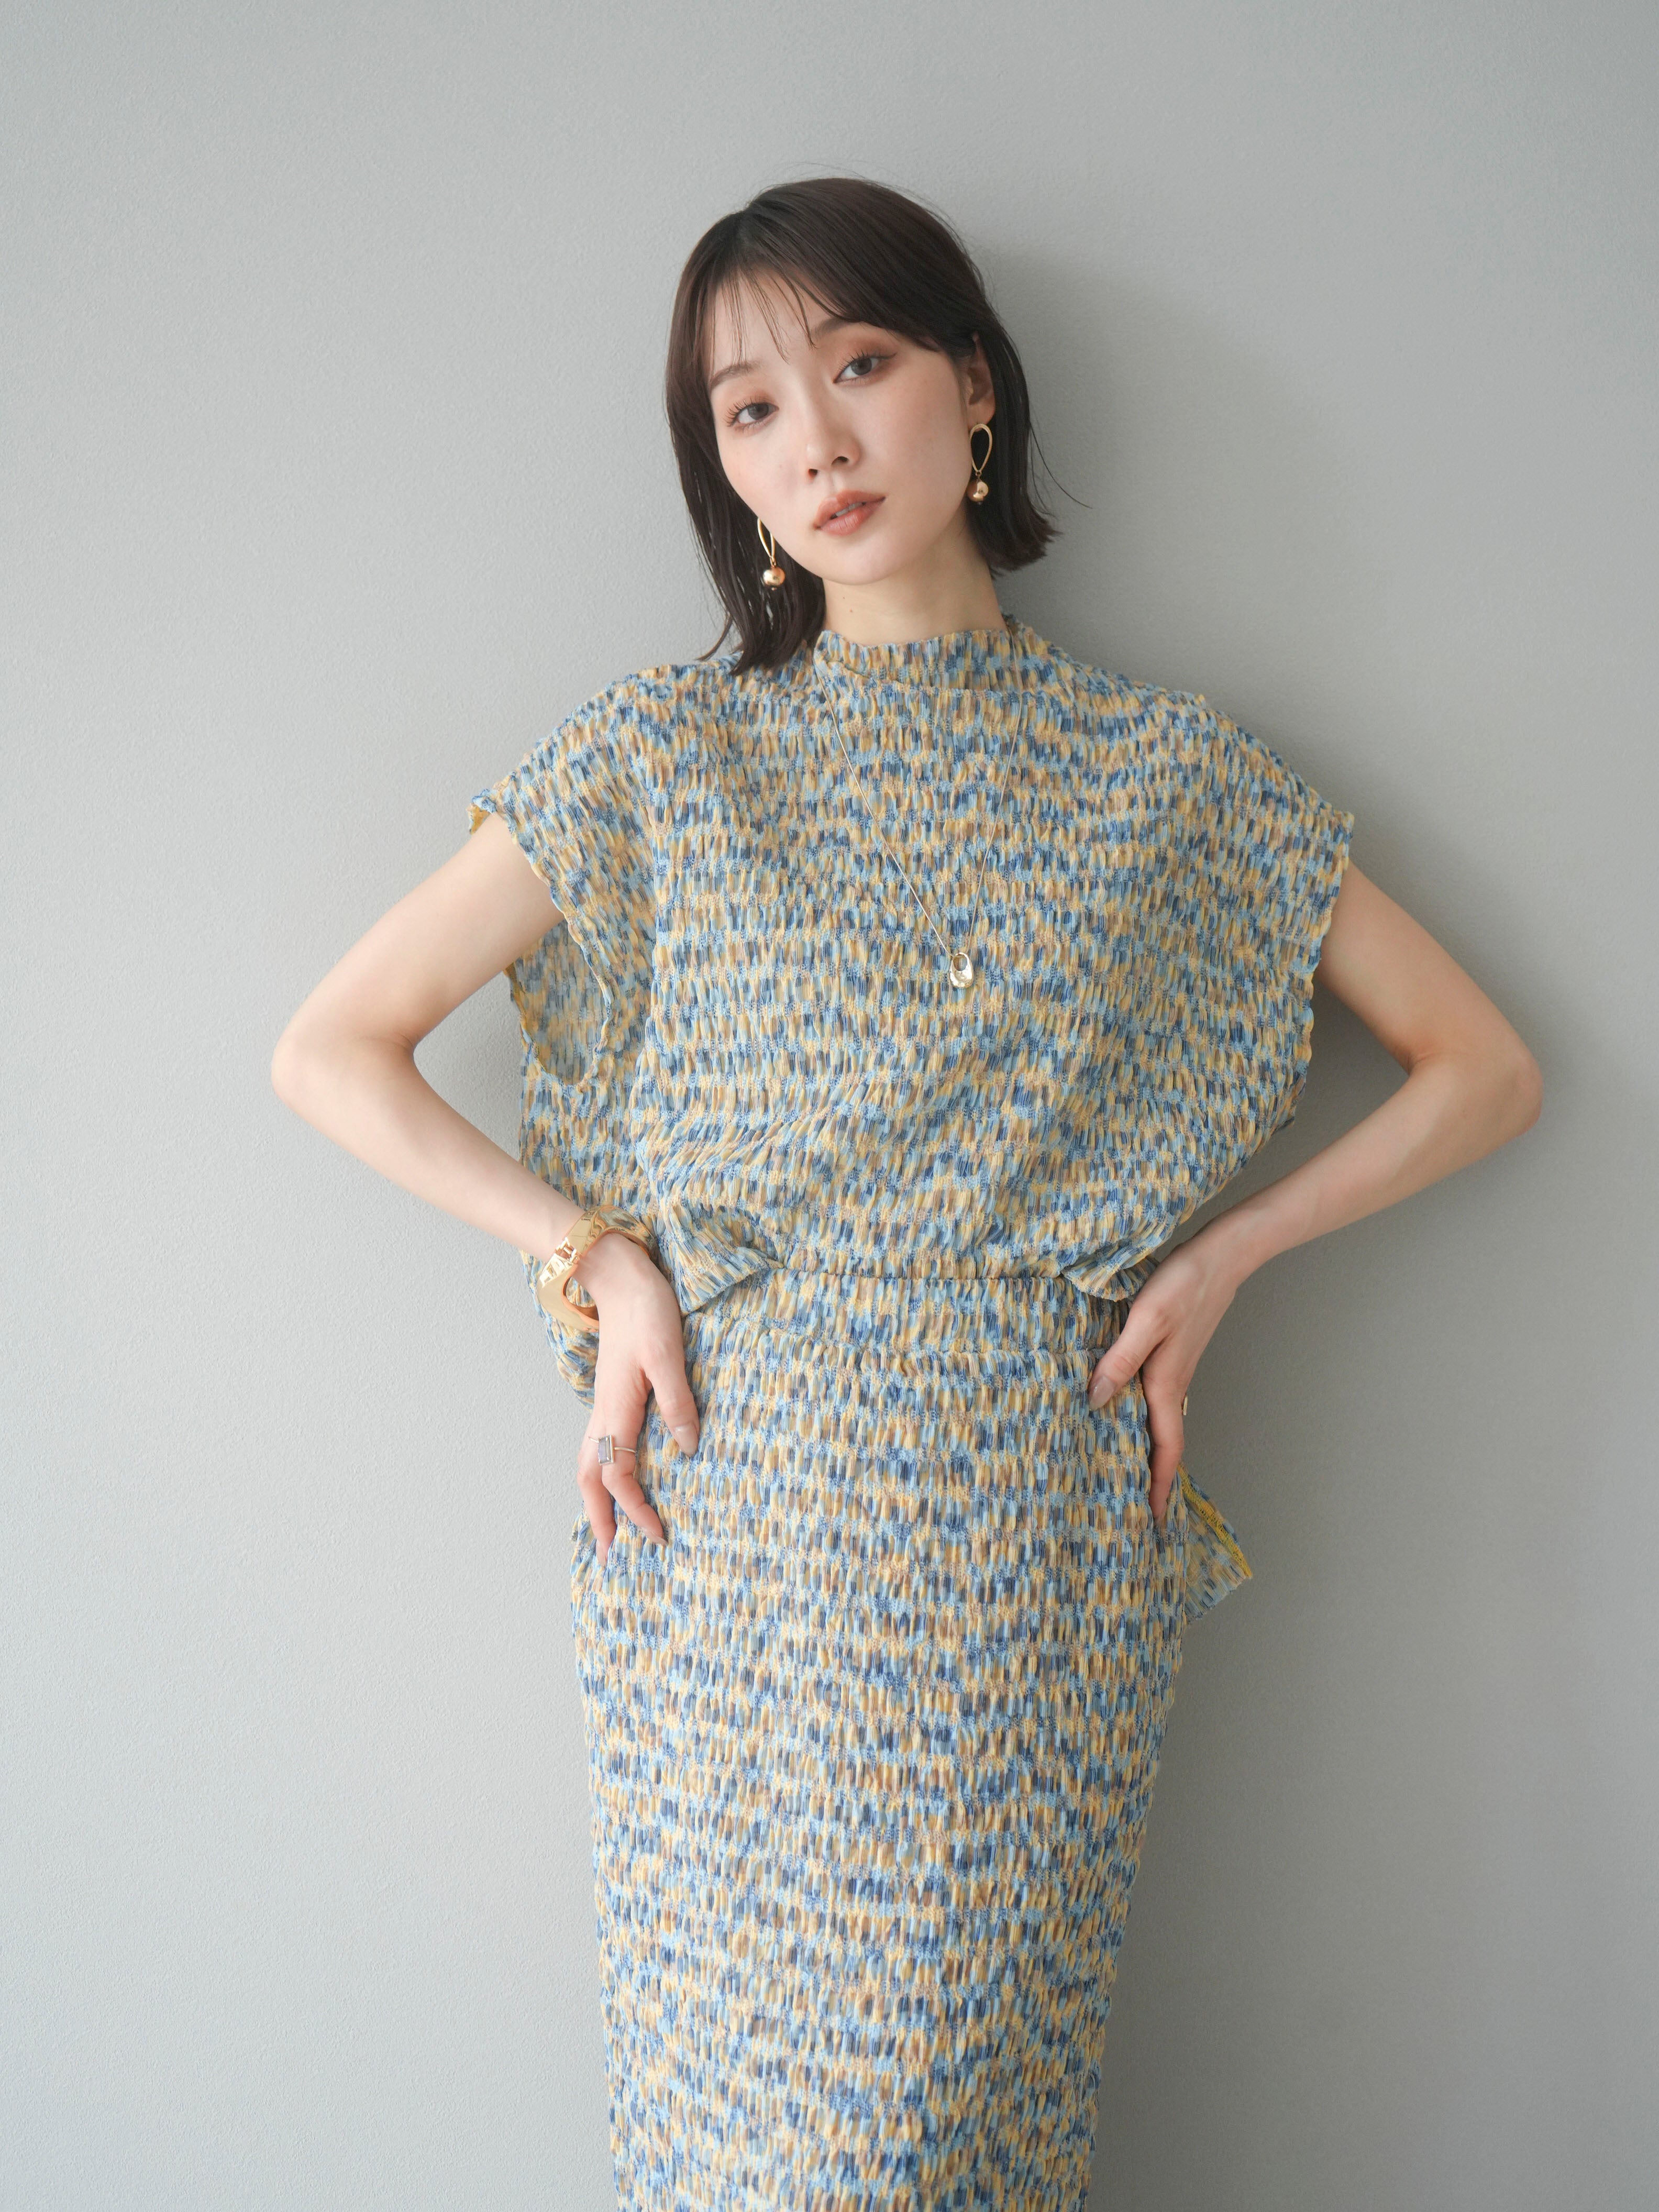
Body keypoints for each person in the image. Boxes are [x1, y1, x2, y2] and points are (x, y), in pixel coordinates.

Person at [271, 177, 1541, 2209]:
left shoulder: (1167, 780)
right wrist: (598, 1261)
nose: (820, 444)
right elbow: (331, 1048)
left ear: (974, 386)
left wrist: (1226, 1258)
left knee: (942, 2133)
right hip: (730, 1521)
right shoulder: (659, 761)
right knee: (749, 2148)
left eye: (858, 366)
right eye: (751, 410)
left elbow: (1484, 1067)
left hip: (1026, 1525)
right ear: (722, 468)